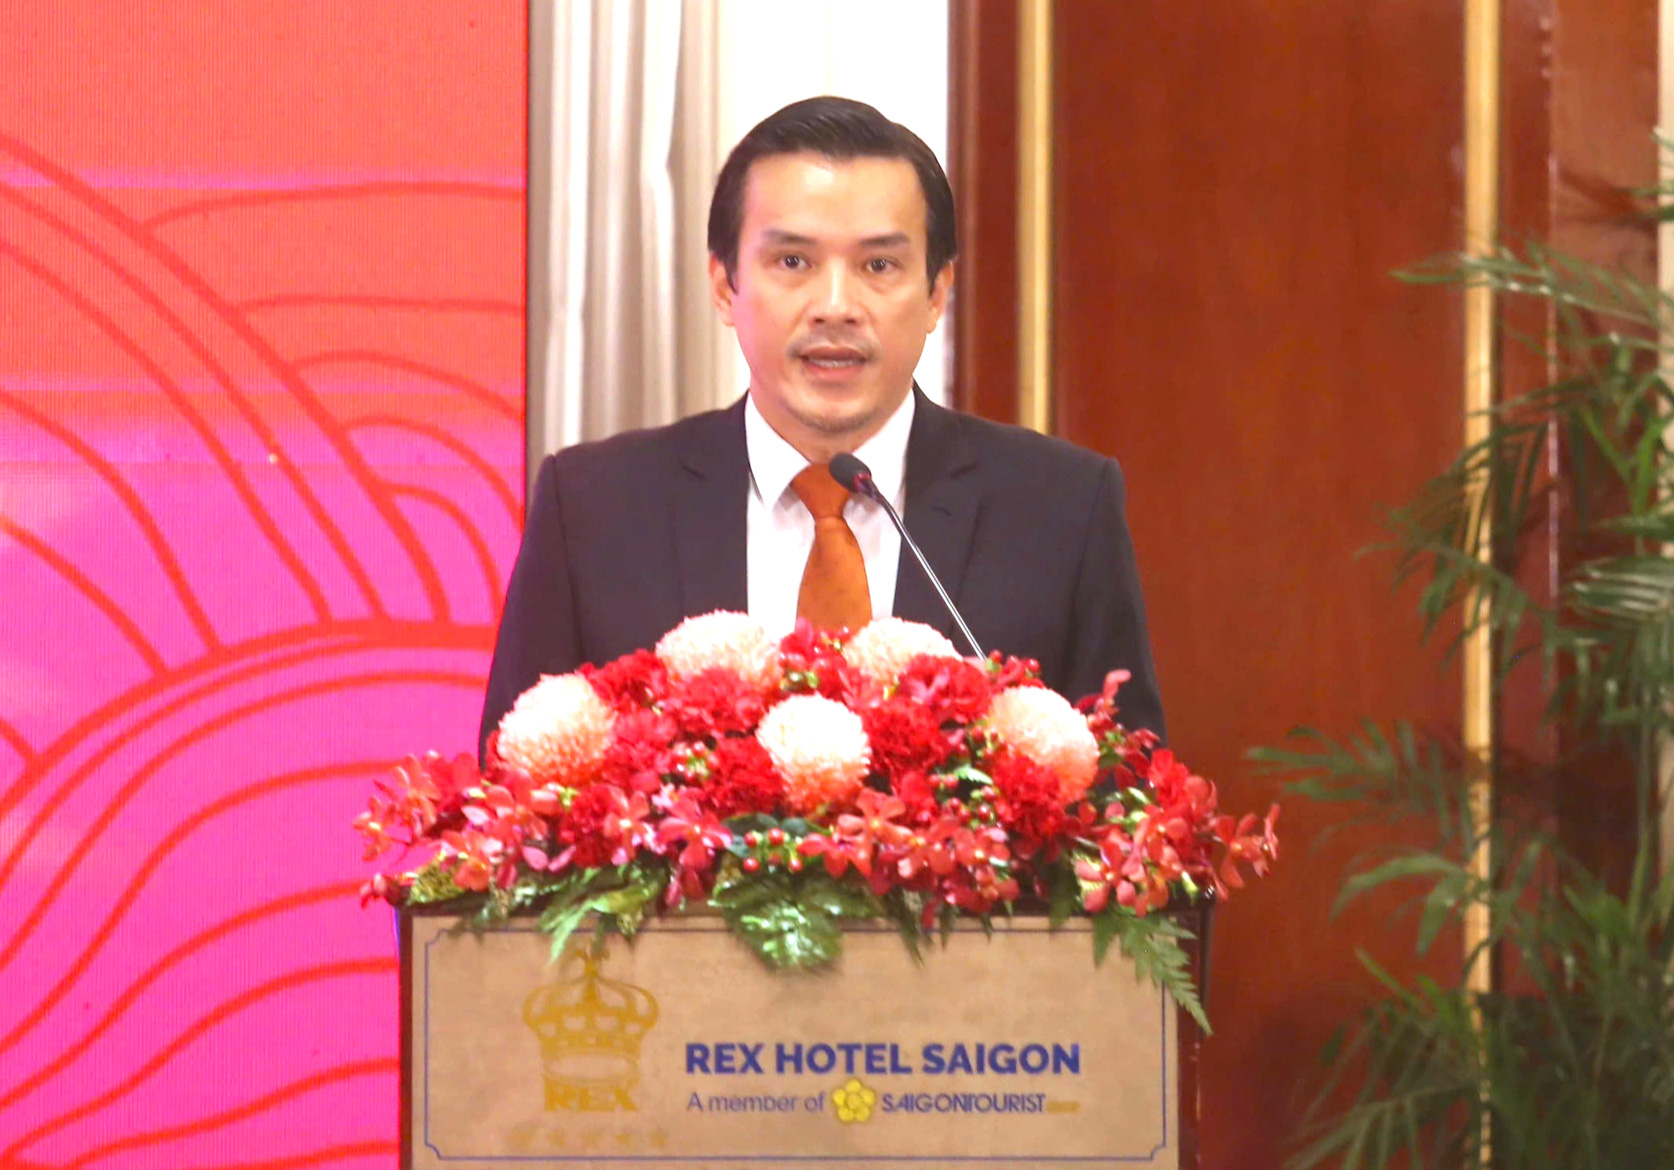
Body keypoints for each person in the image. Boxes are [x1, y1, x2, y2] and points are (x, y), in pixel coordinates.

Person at [480, 96, 1163, 750]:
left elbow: (1130, 820)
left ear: (936, 294)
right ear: (724, 285)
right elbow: (513, 812)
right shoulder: (596, 508)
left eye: (879, 265)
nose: (836, 305)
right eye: (793, 262)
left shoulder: (1061, 510)